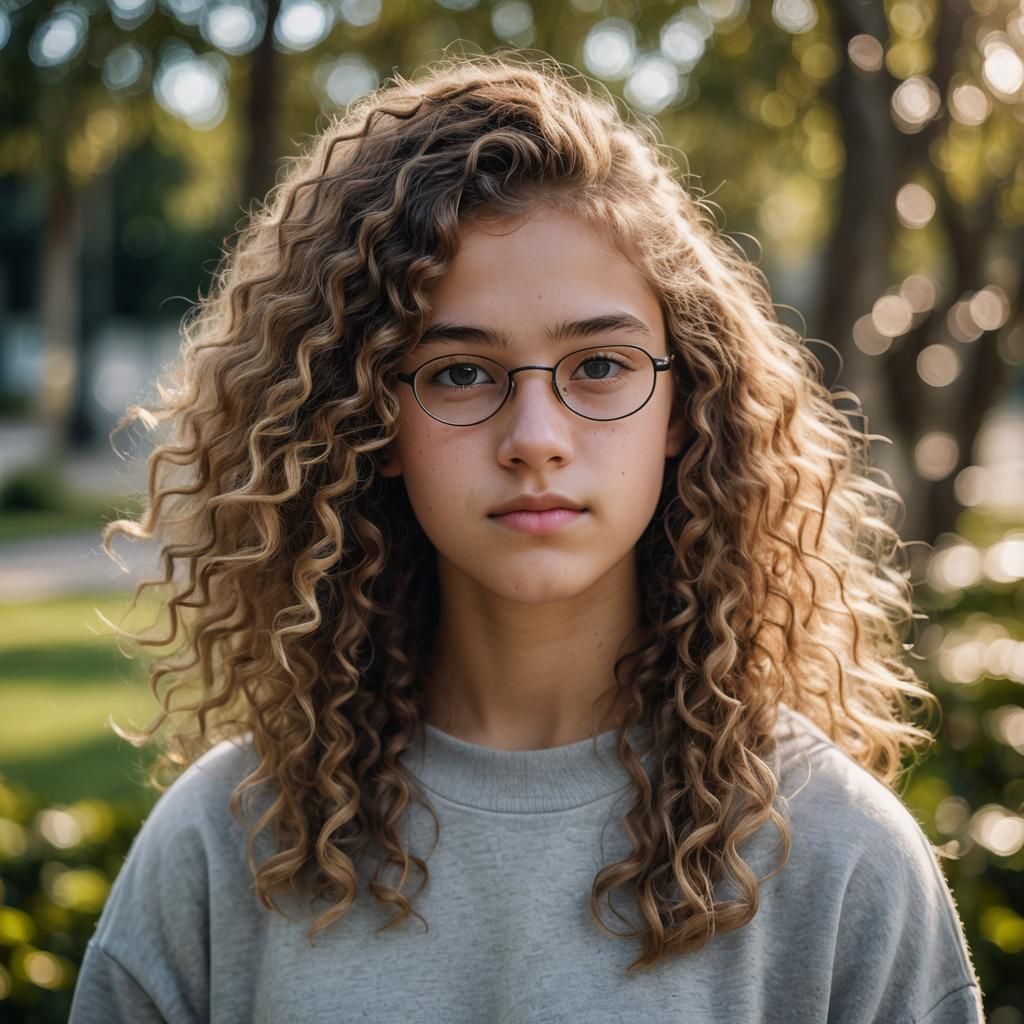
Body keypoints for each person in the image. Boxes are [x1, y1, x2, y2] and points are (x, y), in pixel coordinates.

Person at [69, 52, 985, 1023]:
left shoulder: (841, 858)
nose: (536, 438)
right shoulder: (223, 850)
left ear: (684, 406)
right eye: (461, 373)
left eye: (599, 364)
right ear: (372, 418)